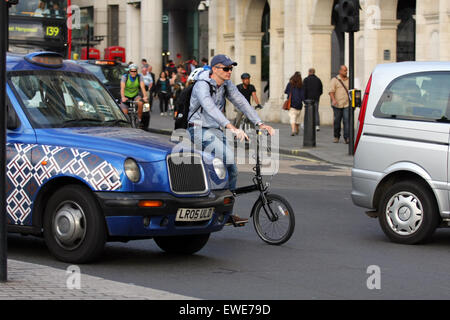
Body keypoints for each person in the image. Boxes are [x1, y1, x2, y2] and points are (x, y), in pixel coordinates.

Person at [187, 54, 274, 225]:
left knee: (232, 169)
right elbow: (210, 107)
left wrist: (260, 123)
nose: (229, 72)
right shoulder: (201, 85)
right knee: (226, 158)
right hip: (198, 129)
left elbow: (241, 102)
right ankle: (205, 202)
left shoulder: (226, 84)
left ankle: (225, 213)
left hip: (215, 129)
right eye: (226, 68)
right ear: (214, 69)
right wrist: (231, 127)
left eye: (231, 68)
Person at [329, 65, 350, 144]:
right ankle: (336, 136)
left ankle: (347, 137)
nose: (346, 72)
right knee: (337, 121)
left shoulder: (349, 80)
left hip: (347, 104)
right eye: (345, 70)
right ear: (340, 71)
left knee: (346, 121)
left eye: (346, 70)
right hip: (337, 104)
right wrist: (333, 100)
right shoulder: (334, 80)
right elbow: (331, 92)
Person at [284, 72, 305, 136]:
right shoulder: (301, 85)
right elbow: (303, 96)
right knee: (298, 118)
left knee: (292, 117)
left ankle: (293, 130)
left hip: (291, 104)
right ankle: (297, 129)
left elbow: (286, 92)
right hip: (299, 104)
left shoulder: (290, 84)